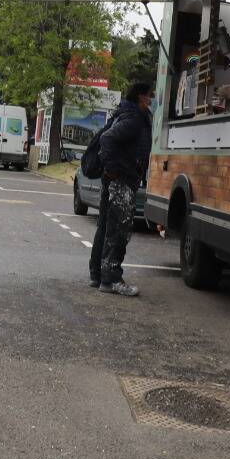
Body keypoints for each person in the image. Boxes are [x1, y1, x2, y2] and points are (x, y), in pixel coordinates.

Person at [89, 80, 154, 297]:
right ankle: (111, 279)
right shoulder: (134, 119)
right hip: (121, 180)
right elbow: (108, 139)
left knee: (106, 227)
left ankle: (97, 275)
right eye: (149, 96)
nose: (151, 100)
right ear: (140, 97)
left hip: (115, 179)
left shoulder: (125, 113)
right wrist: (114, 170)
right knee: (118, 231)